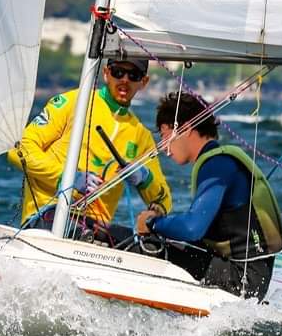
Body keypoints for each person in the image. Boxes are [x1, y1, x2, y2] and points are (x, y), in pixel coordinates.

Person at [136, 92, 282, 300]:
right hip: (250, 277)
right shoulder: (221, 157)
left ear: (185, 129)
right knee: (161, 243)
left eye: (164, 135)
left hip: (241, 281)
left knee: (144, 248)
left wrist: (153, 223)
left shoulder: (216, 165)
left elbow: (192, 228)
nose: (164, 147)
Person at [9, 59, 172, 237]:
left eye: (133, 75)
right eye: (118, 72)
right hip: (47, 216)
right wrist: (66, 178)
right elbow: (18, 149)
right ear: (106, 73)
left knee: (146, 246)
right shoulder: (72, 103)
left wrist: (145, 178)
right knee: (78, 230)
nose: (125, 80)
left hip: (96, 231)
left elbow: (163, 201)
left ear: (144, 82)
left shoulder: (141, 136)